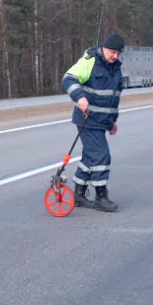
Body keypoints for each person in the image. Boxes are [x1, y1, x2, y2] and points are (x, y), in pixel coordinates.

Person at [61, 33, 124, 212]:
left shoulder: (116, 68)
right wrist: (79, 97)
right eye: (113, 52)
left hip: (102, 121)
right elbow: (68, 78)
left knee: (90, 156)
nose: (115, 56)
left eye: (118, 54)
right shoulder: (90, 60)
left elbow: (112, 99)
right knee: (101, 155)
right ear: (105, 48)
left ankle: (79, 194)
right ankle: (100, 197)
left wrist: (112, 121)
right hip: (87, 119)